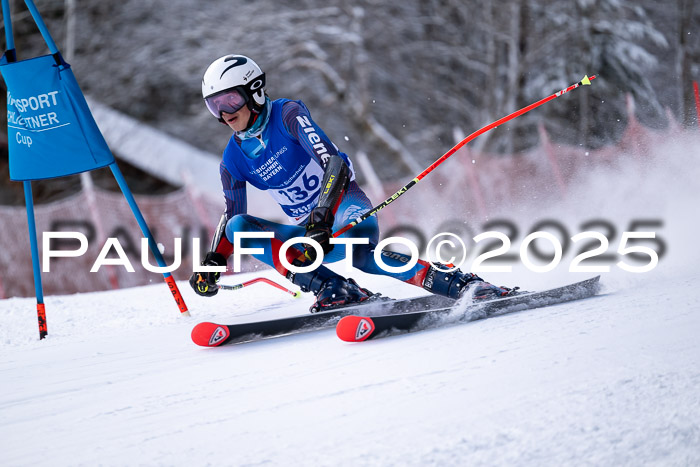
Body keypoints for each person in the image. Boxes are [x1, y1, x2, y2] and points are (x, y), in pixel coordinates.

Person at [189, 54, 511, 312]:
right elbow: (234, 219)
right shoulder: (232, 159)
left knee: (363, 256)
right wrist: (216, 260)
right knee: (240, 228)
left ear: (254, 91)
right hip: (310, 235)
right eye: (214, 105)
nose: (224, 113)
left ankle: (456, 283)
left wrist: (323, 217)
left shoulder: (287, 115)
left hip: (342, 210)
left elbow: (335, 163)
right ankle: (334, 288)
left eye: (230, 100)